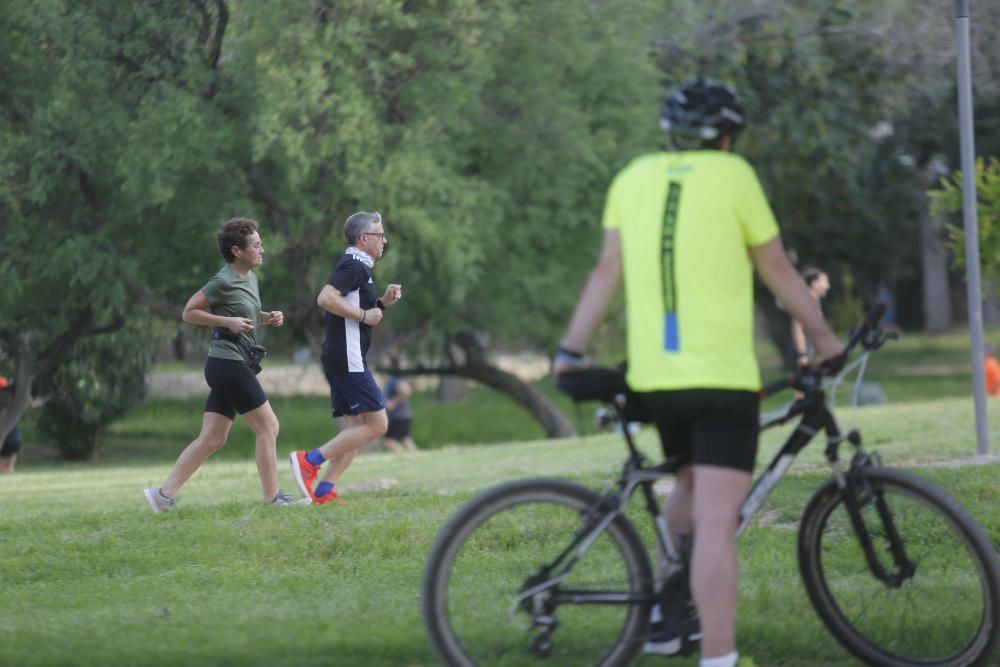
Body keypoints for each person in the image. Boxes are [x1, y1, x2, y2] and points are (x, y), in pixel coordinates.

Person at [552, 78, 842, 667]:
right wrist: (826, 339)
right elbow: (780, 270)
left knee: (686, 487)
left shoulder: (631, 177)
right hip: (723, 379)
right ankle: (719, 658)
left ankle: (663, 624)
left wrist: (570, 351)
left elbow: (606, 271)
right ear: (729, 136)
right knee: (715, 520)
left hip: (657, 380)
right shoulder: (735, 177)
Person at [144, 218, 307, 512]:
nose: (262, 250)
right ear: (237, 251)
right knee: (269, 426)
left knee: (213, 437)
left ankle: (161, 495)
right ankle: (273, 498)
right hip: (227, 363)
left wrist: (267, 318)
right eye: (256, 245)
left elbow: (244, 316)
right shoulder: (222, 280)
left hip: (231, 363)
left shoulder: (251, 279)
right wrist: (225, 321)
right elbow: (189, 312)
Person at [289, 211, 402, 504]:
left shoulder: (360, 266)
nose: (384, 241)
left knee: (355, 430)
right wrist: (366, 313)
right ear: (363, 239)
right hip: (348, 358)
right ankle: (309, 460)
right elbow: (326, 298)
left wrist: (381, 304)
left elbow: (352, 309)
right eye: (380, 236)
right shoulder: (354, 264)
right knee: (378, 426)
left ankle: (324, 492)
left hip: (341, 355)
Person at [790, 267, 830, 366]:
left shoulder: (816, 302)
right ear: (814, 283)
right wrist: (803, 355)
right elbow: (797, 327)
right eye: (824, 282)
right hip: (807, 357)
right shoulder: (806, 302)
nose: (828, 286)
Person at [382, 356, 418, 452]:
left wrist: (393, 402)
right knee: (406, 439)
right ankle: (417, 456)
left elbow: (406, 391)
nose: (384, 363)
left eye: (387, 361)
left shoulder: (394, 379)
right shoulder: (396, 378)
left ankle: (402, 454)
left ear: (392, 365)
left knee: (388, 440)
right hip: (405, 415)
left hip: (399, 416)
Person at [0, 377, 22, 473]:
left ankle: (8, 468)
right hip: (14, 442)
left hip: (10, 441)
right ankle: (9, 468)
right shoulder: (10, 404)